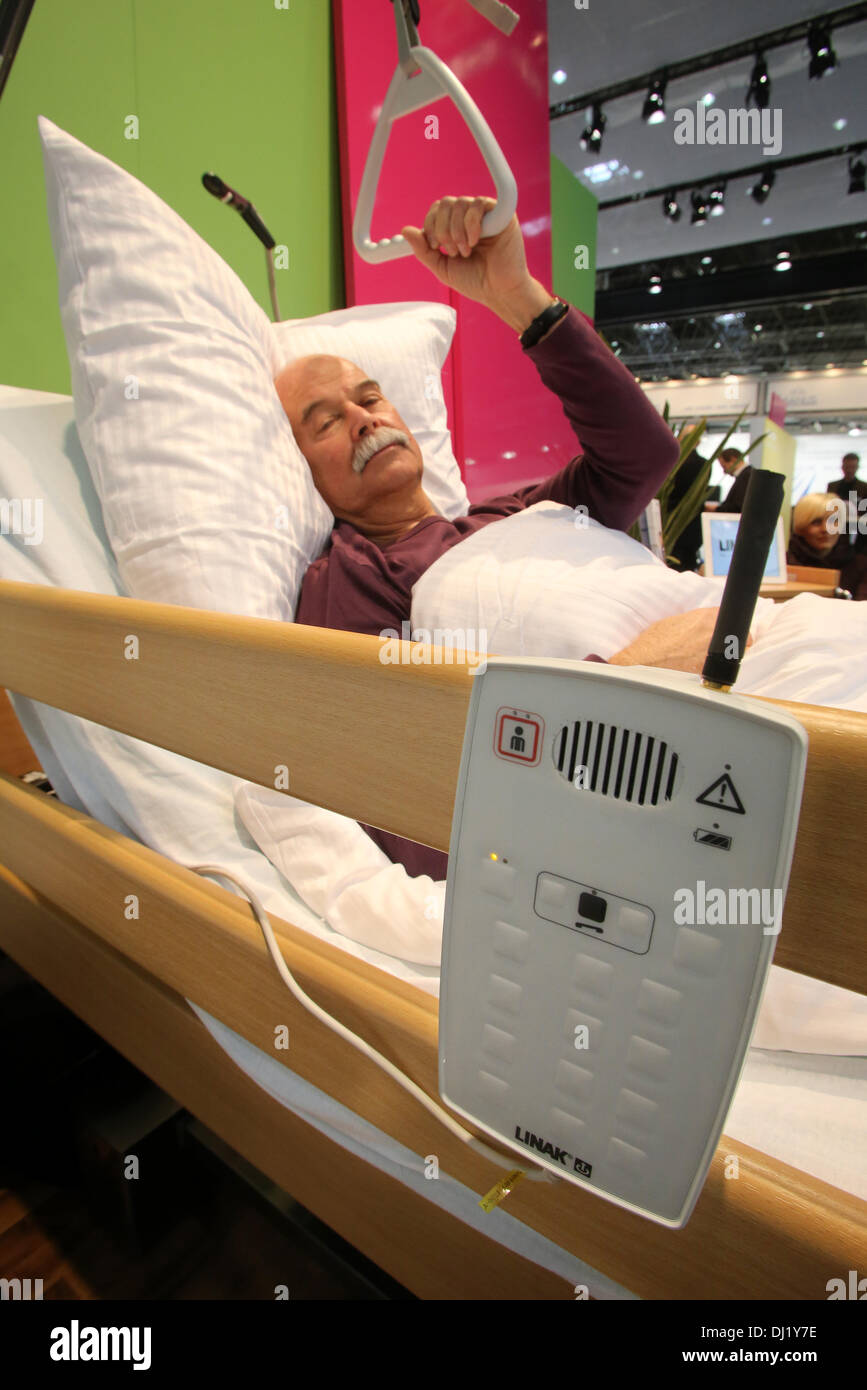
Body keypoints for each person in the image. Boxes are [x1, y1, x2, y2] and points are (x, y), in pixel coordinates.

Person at [272, 195, 712, 877]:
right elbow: (408, 798)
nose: (363, 421)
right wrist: (642, 678)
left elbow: (643, 455)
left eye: (368, 398)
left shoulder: (513, 517)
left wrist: (518, 297)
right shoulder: (350, 577)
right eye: (324, 422)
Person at [787, 493, 867, 600]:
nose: (826, 529)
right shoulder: (784, 564)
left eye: (834, 521)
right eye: (816, 522)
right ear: (801, 527)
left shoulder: (860, 565)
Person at [717, 448, 752, 514]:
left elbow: (739, 506)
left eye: (724, 466)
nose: (724, 471)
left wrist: (716, 509)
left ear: (733, 460)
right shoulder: (746, 475)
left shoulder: (747, 476)